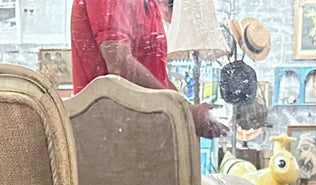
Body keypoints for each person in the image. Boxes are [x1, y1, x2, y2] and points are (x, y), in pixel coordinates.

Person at [70, 0, 229, 137]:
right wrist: (183, 111)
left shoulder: (150, 4)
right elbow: (119, 65)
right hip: (111, 134)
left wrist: (187, 109)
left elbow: (159, 77)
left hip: (137, 131)